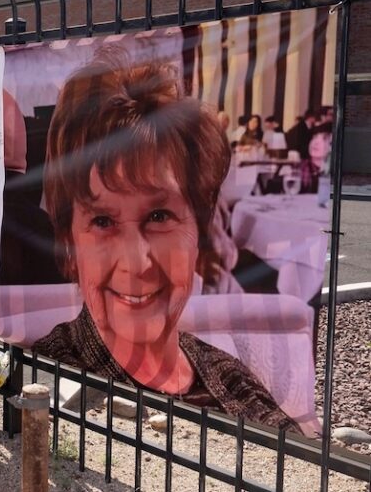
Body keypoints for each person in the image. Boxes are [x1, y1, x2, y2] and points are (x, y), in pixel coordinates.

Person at [31, 51, 299, 432]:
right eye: (103, 221)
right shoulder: (49, 377)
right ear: (70, 246)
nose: (137, 263)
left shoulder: (231, 377)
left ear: (197, 234)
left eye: (159, 217)